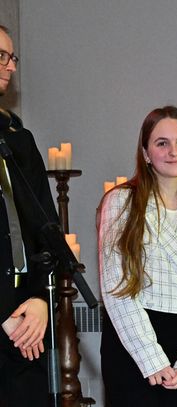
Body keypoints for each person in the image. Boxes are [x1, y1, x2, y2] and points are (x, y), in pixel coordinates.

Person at [98, 106, 177, 406]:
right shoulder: (121, 201)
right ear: (146, 153)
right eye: (162, 143)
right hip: (134, 345)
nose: (174, 151)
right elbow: (116, 287)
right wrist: (152, 358)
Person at [0, 25, 58, 407]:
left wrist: (40, 299)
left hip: (26, 320)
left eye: (12, 57)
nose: (11, 66)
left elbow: (46, 229)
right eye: (1, 56)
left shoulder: (19, 139)